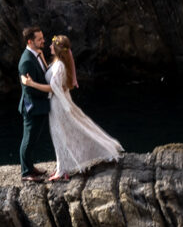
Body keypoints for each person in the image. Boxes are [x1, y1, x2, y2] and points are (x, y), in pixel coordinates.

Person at [21, 35, 123, 181]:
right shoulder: (58, 62)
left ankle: (62, 170)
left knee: (60, 136)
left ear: (56, 49)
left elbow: (53, 87)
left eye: (51, 45)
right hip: (59, 102)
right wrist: (42, 58)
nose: (48, 46)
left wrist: (32, 84)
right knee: (65, 133)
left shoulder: (60, 66)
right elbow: (50, 74)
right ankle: (63, 167)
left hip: (57, 105)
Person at [18, 26, 51, 182]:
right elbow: (29, 91)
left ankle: (30, 167)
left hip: (40, 106)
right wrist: (50, 92)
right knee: (28, 140)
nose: (43, 40)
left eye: (42, 37)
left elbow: (43, 74)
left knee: (33, 140)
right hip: (32, 108)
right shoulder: (26, 61)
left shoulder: (37, 54)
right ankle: (26, 173)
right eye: (39, 39)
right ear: (30, 41)